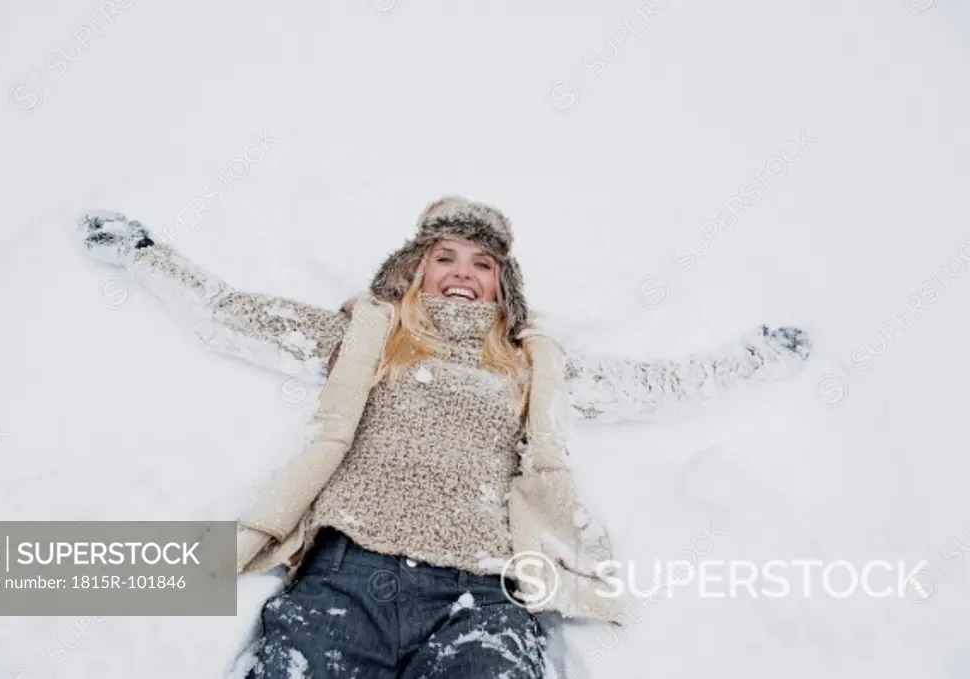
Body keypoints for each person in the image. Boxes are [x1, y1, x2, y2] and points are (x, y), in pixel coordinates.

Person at [78, 196, 811, 679]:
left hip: (480, 594)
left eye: (483, 264)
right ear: (417, 269)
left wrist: (756, 355)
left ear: (503, 285)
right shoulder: (369, 333)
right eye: (446, 257)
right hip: (345, 576)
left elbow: (653, 384)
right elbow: (238, 314)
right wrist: (147, 254)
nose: (464, 273)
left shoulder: (533, 364)